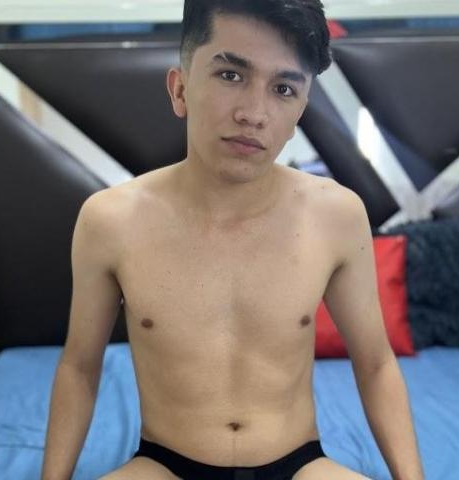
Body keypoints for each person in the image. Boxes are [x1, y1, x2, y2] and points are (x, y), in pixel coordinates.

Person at [41, 1, 425, 479]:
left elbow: (376, 364)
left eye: (283, 89)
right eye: (230, 75)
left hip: (298, 465)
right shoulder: (110, 220)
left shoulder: (337, 215)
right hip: (166, 466)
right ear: (180, 89)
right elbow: (79, 368)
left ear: (300, 110)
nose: (254, 114)